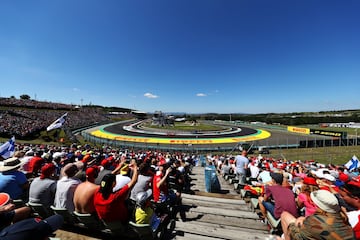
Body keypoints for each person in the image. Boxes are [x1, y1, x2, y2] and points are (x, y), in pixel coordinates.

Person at [280, 190, 355, 240]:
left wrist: (299, 221)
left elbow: (296, 234)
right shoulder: (342, 216)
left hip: (316, 230)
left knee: (285, 215)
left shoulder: (316, 221)